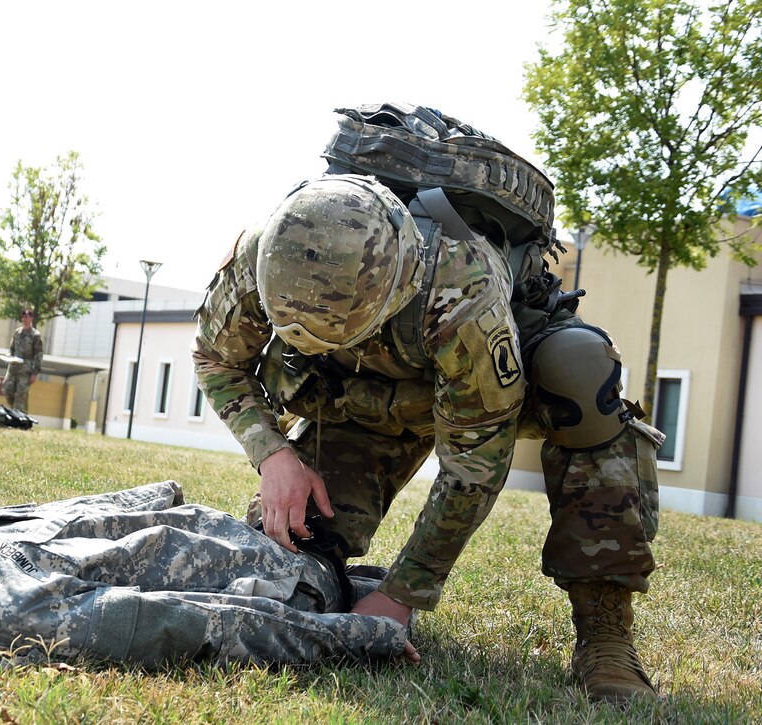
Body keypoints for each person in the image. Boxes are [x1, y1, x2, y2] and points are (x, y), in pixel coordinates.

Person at [192, 103, 663, 704]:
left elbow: (473, 463)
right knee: (289, 562)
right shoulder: (265, 254)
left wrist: (406, 592)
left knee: (581, 370)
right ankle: (337, 579)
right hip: (359, 398)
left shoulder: (461, 287)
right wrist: (274, 456)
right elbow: (216, 359)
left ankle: (605, 634)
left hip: (485, 390)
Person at [0, 481, 412, 666]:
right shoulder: (3, 617)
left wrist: (158, 496)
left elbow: (72, 514)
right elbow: (191, 625)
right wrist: (356, 633)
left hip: (249, 531)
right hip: (289, 579)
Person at [2, 308, 43, 414]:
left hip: (25, 369)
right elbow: (11, 349)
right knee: (7, 390)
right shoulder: (17, 332)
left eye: (28, 316)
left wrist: (35, 373)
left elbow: (38, 354)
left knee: (20, 394)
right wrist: (8, 357)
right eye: (23, 316)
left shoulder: (35, 335)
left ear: (32, 318)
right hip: (13, 368)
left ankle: (18, 418)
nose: (25, 318)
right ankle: (17, 411)